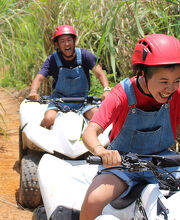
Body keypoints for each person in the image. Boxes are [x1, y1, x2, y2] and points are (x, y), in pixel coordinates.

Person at [80, 33, 180, 220]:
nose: (171, 88)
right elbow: (89, 133)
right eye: (164, 81)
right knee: (93, 200)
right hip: (122, 163)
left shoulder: (177, 94)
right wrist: (102, 152)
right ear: (142, 73)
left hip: (164, 161)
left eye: (177, 80)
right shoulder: (121, 94)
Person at [28, 25, 111, 129]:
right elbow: (39, 77)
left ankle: (95, 142)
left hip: (82, 100)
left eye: (69, 40)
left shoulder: (85, 55)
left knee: (98, 117)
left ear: (74, 40)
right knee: (48, 119)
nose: (66, 44)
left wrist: (107, 89)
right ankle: (38, 144)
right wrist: (33, 91)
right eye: (62, 41)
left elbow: (100, 73)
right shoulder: (52, 60)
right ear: (57, 44)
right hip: (59, 100)